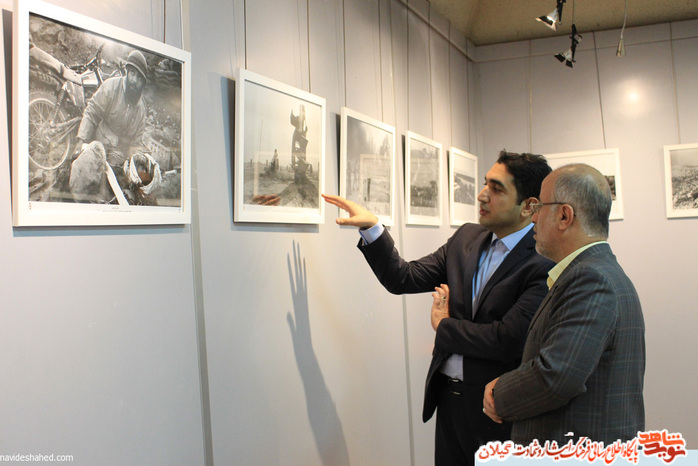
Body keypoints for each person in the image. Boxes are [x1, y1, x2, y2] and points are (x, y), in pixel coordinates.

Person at [323, 151, 555, 466]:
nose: (481, 195)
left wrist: (444, 327)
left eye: (497, 189)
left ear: (528, 206)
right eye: (485, 183)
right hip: (449, 401)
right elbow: (403, 277)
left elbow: (507, 340)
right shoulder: (466, 238)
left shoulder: (543, 259)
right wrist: (373, 228)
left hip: (500, 411)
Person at [483, 164, 645, 446]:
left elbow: (555, 376)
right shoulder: (596, 272)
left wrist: (499, 393)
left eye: (539, 207)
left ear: (564, 216)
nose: (533, 218)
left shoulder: (591, 279)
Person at [68, 49, 159, 204]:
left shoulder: (141, 111)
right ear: (127, 72)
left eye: (139, 78)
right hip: (98, 150)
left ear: (143, 84)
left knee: (126, 196)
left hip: (119, 162)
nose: (134, 80)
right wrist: (81, 140)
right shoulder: (111, 87)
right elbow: (92, 112)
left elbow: (136, 144)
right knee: (84, 184)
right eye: (132, 73)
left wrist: (135, 165)